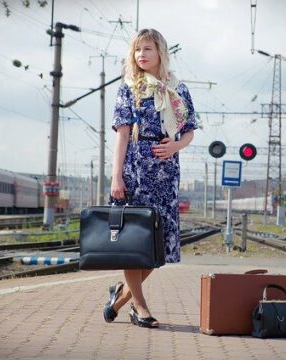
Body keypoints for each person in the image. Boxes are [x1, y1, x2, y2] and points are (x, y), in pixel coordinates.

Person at [103, 28, 197, 328]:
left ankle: (120, 297)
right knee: (134, 241)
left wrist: (176, 145)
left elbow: (189, 129)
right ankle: (139, 308)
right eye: (137, 50)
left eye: (147, 49)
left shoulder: (177, 88)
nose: (141, 55)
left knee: (159, 245)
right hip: (135, 169)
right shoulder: (128, 88)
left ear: (160, 53)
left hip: (166, 170)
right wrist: (116, 177)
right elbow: (121, 136)